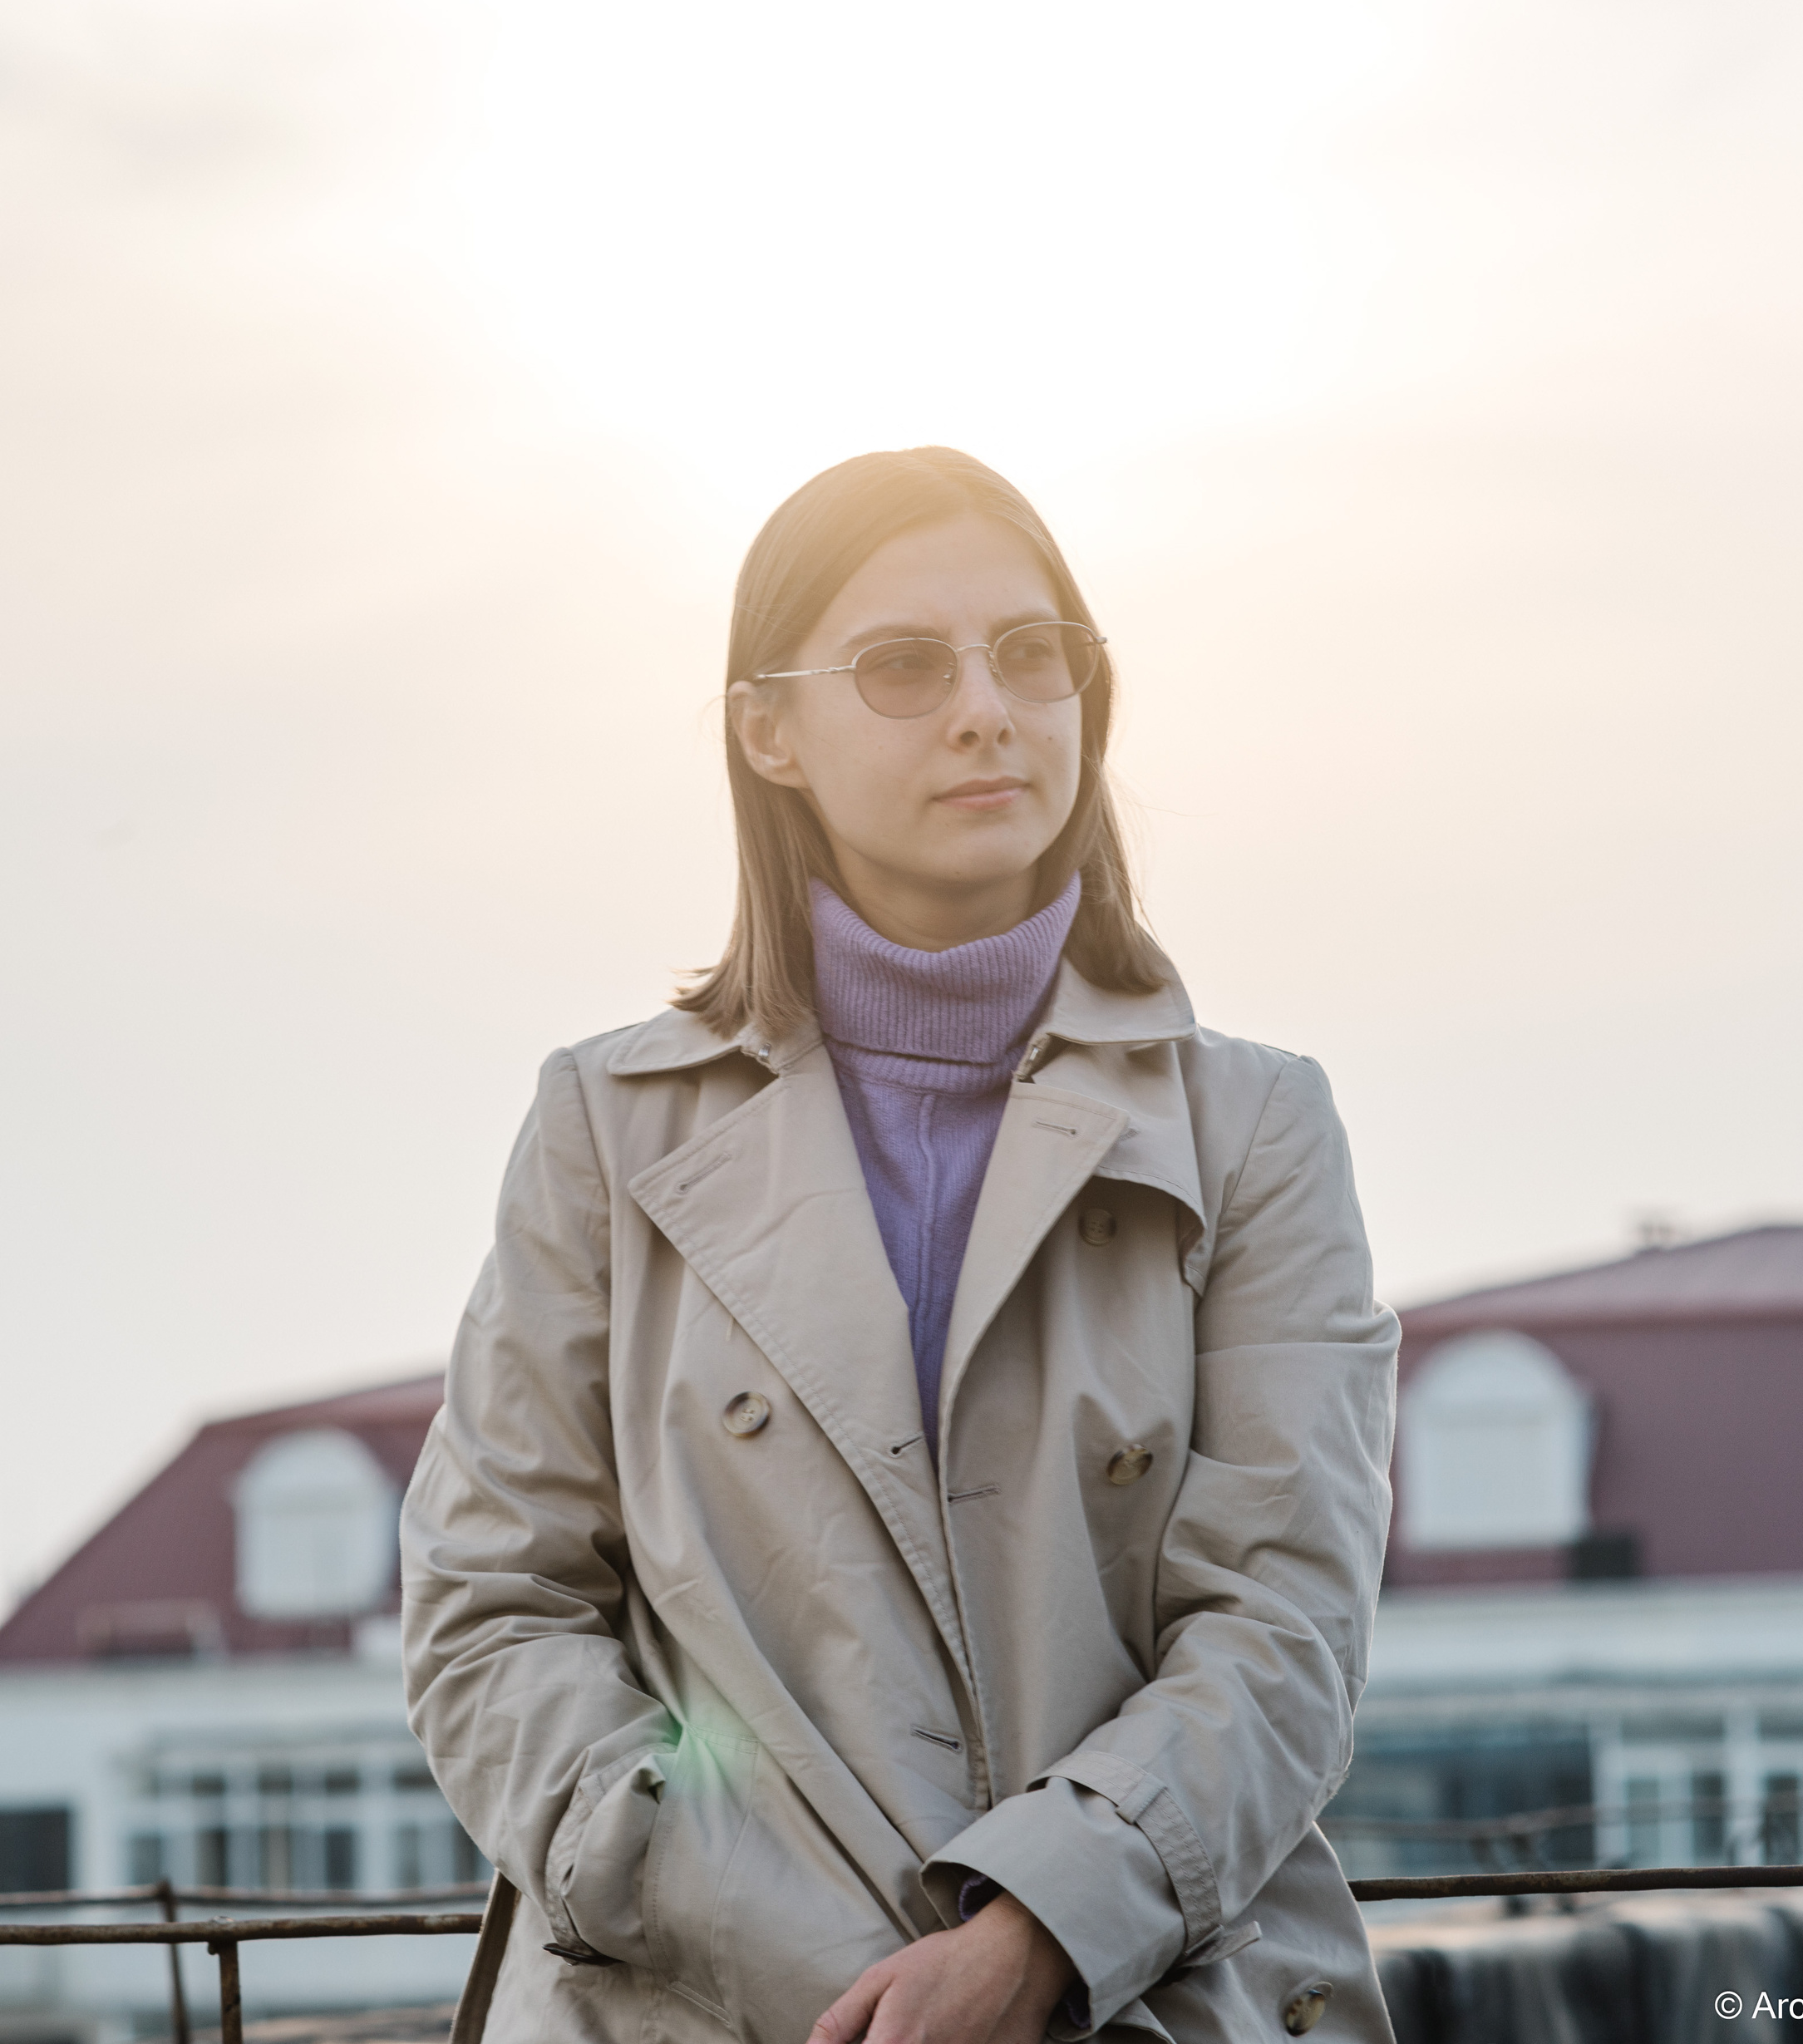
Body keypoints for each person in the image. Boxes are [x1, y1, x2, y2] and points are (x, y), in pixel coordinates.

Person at [400, 447, 1401, 2044]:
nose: (990, 709)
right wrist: (795, 1951)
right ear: (766, 729)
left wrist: (1040, 1936)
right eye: (904, 666)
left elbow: (1282, 1628)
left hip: (1143, 1997)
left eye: (1035, 653)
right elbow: (492, 1607)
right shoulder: (606, 1128)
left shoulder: (1257, 1129)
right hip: (704, 2010)